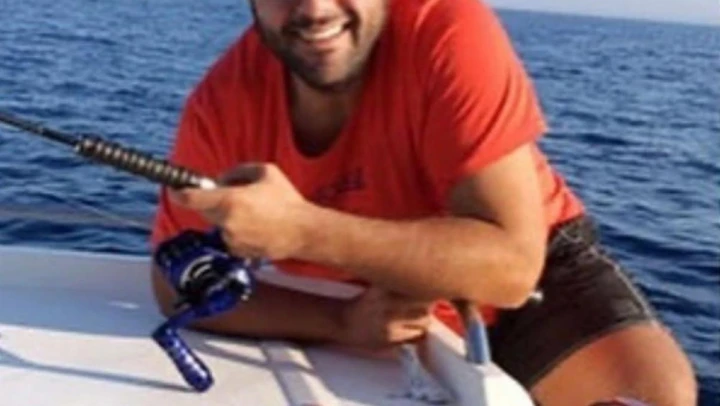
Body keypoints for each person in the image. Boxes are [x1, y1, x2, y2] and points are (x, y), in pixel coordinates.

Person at [149, 0, 697, 404]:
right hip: (371, 301)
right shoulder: (221, 105)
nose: (314, 9)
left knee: (653, 393)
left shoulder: (449, 29)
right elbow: (174, 283)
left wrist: (304, 231)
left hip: (535, 271)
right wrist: (338, 321)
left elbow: (512, 267)